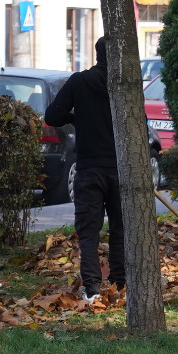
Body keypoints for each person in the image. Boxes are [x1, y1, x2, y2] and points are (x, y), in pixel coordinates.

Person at [45, 36, 126, 302]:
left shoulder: (79, 82)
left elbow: (52, 116)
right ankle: (120, 285)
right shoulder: (125, 85)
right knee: (120, 230)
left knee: (89, 233)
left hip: (89, 169)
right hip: (120, 170)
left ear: (97, 54)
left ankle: (92, 291)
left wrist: (76, 117)